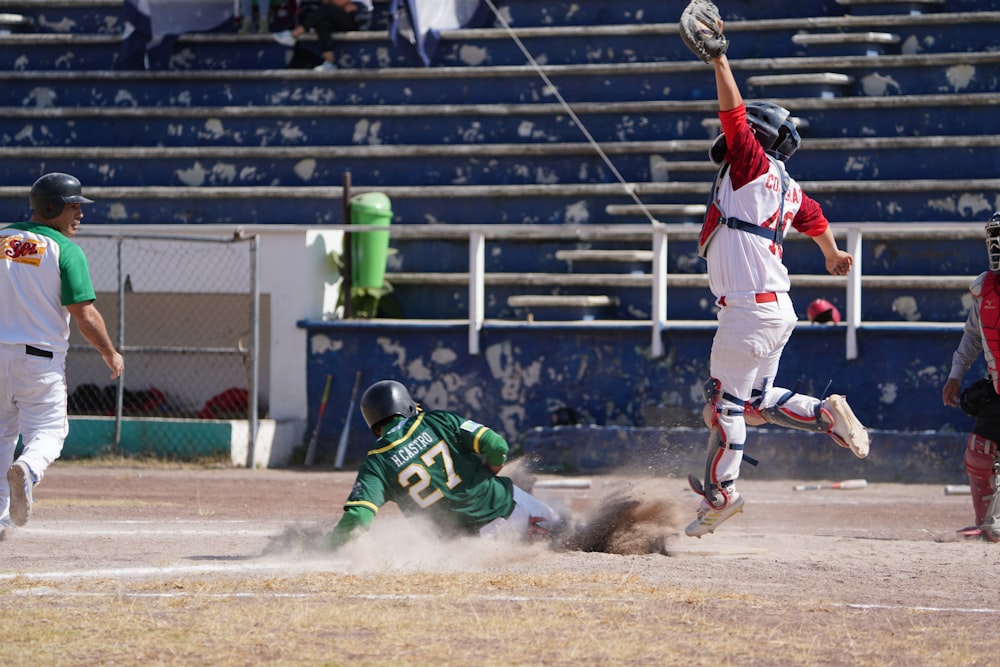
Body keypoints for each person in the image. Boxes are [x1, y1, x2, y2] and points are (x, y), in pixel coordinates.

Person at [683, 23, 870, 538]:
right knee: (756, 404)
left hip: (747, 310)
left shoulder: (750, 164)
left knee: (721, 406)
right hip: (774, 309)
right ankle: (824, 415)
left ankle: (722, 495)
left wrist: (719, 60)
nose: (726, 147)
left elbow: (732, 114)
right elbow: (814, 216)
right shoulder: (787, 184)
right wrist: (832, 254)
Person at [0, 173, 125, 540]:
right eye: (74, 207)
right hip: (38, 360)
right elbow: (84, 314)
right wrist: (110, 352)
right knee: (50, 431)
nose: (80, 215)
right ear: (52, 207)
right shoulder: (65, 251)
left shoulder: (2, 238)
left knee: (1, 436)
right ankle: (30, 468)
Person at [323, 379, 564, 549]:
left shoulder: (376, 462)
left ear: (374, 425)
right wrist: (492, 470)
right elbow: (497, 446)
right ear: (407, 406)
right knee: (572, 533)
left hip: (473, 547)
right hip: (513, 507)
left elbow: (358, 518)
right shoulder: (439, 420)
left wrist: (325, 546)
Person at [941, 211, 1000, 543]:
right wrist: (955, 376)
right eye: (996, 238)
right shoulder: (985, 290)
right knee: (980, 451)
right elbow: (973, 337)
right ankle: (989, 524)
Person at [272, 0, 374, 71]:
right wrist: (340, 4)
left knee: (326, 9)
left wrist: (337, 3)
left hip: (358, 17)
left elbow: (337, 2)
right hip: (340, 16)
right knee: (323, 23)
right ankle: (330, 61)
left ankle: (295, 34)